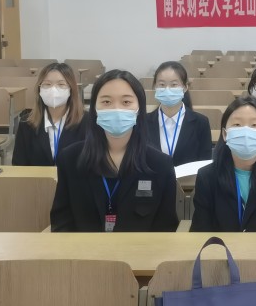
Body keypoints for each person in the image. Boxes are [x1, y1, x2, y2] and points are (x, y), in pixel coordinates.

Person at [50, 70, 179, 232]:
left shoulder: (161, 164)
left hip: (139, 248)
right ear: (94, 108)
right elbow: (62, 222)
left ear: (139, 108)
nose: (116, 109)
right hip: (84, 248)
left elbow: (165, 228)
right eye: (106, 102)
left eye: (126, 102)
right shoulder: (69, 159)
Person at [190, 96, 256, 232]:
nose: (246, 132)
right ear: (224, 134)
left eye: (254, 125)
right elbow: (200, 231)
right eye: (237, 125)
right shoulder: (207, 176)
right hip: (221, 246)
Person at [12, 62, 86, 166]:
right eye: (47, 84)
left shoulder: (87, 121)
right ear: (39, 89)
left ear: (71, 89)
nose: (53, 90)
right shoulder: (26, 123)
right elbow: (19, 165)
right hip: (37, 177)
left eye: (61, 84)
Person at [146, 61, 212, 166]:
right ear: (155, 87)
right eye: (162, 85)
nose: (167, 90)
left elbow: (205, 164)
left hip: (189, 177)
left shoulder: (201, 122)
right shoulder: (143, 122)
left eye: (174, 85)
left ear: (185, 87)